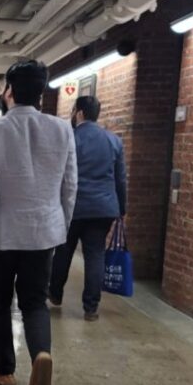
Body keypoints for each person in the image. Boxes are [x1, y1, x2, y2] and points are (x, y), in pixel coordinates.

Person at [0, 60, 77, 385]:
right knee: (34, 302)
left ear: (9, 91)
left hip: (2, 235)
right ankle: (41, 353)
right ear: (42, 92)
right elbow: (70, 186)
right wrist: (58, 226)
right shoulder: (63, 130)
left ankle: (4, 370)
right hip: (43, 233)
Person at [49, 95, 127, 321]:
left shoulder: (69, 138)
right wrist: (122, 207)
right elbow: (121, 179)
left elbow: (58, 175)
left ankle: (55, 294)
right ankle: (91, 307)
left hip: (73, 206)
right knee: (95, 255)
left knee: (63, 251)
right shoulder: (114, 141)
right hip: (103, 208)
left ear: (79, 112)